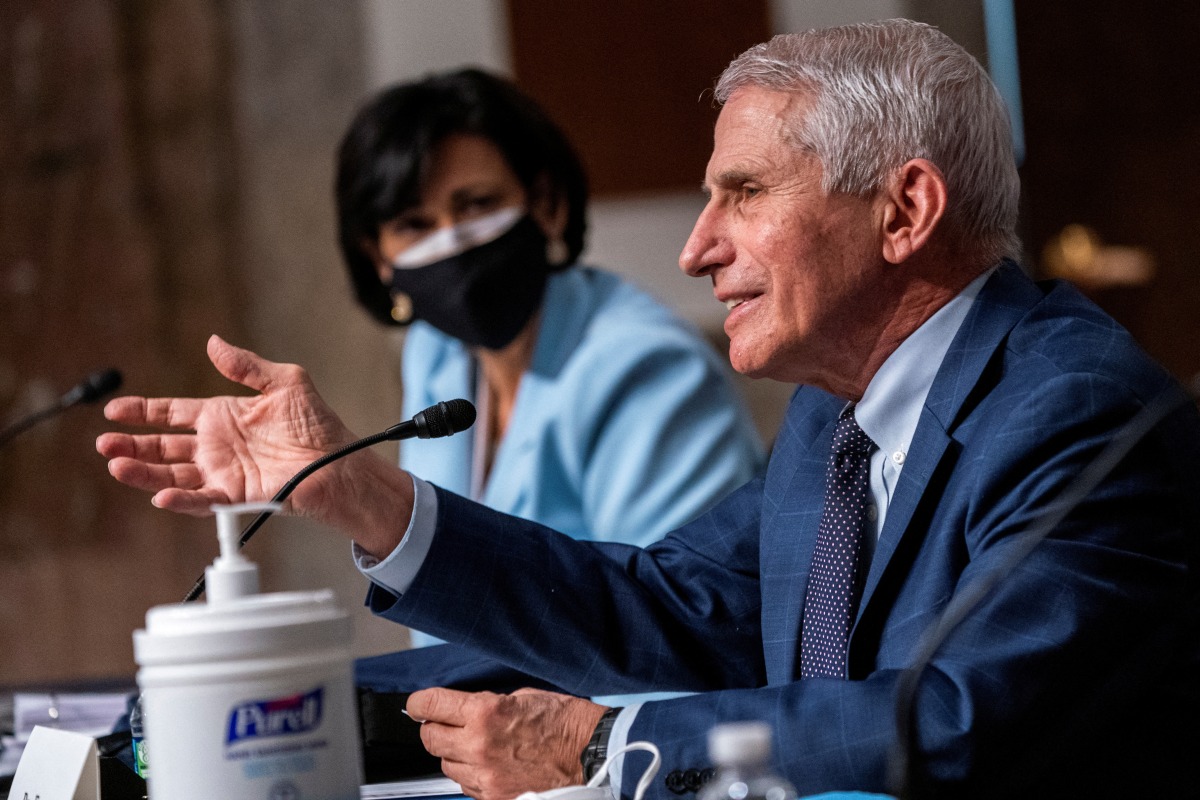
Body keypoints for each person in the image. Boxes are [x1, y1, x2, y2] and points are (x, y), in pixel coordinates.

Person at [97, 19, 1199, 800]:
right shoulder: (836, 419)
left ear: (905, 208)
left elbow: (958, 723)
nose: (695, 247)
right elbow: (662, 607)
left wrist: (599, 746)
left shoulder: (1084, 416)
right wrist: (366, 497)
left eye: (745, 193)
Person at [334, 69, 764, 650]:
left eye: (477, 204)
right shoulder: (436, 352)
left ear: (546, 206)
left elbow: (677, 636)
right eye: (414, 224)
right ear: (378, 259)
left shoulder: (644, 366)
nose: (453, 241)